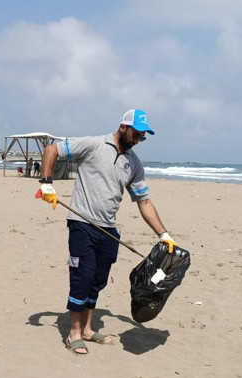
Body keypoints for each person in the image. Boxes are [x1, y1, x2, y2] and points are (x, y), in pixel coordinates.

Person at [37, 109, 176, 355]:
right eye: (136, 134)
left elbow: (143, 201)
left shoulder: (133, 163)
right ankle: (74, 334)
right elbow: (52, 149)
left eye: (142, 137)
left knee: (98, 282)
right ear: (123, 127)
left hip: (108, 230)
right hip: (82, 225)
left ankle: (88, 330)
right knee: (82, 278)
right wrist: (47, 183)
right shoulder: (93, 145)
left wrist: (164, 235)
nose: (138, 141)